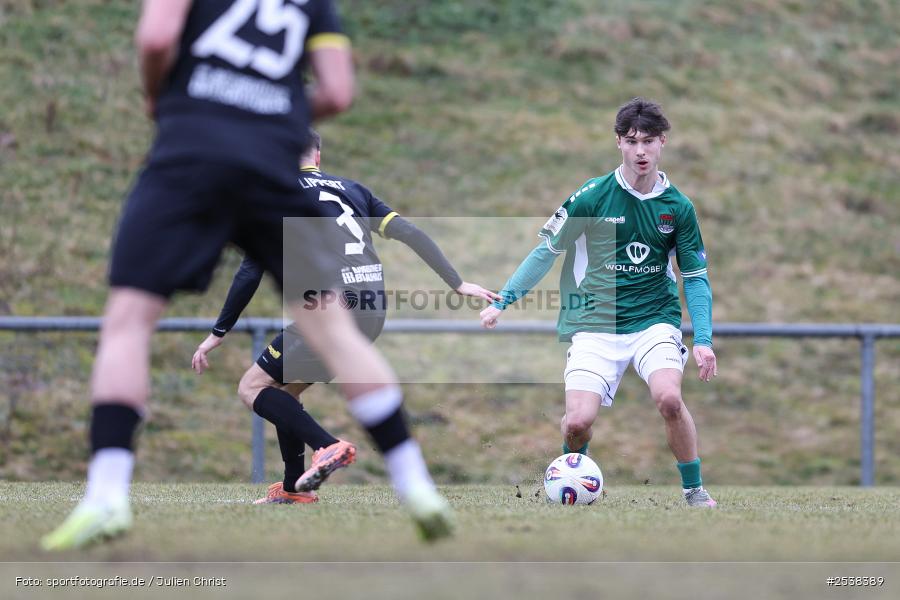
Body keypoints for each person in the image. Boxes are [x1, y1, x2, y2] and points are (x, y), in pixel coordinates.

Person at [43, 0, 452, 550]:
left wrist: (162, 99)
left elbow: (156, 40)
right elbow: (337, 92)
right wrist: (272, 114)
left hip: (190, 154)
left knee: (129, 322)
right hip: (268, 168)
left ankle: (105, 495)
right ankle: (416, 485)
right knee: (330, 330)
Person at [191, 131, 499, 505]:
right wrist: (457, 283)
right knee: (286, 394)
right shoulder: (352, 190)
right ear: (317, 156)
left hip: (330, 310)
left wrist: (219, 331)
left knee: (252, 388)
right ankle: (293, 489)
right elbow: (410, 232)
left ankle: (328, 445)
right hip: (372, 310)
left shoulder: (279, 195)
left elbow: (250, 270)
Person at [480, 98, 718, 508]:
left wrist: (704, 339)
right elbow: (546, 251)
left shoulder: (678, 207)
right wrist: (504, 299)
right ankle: (574, 475)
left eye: (648, 141)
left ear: (663, 142)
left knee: (669, 398)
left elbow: (695, 278)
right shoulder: (592, 196)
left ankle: (693, 489)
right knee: (578, 422)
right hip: (595, 321)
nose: (640, 151)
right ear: (618, 143)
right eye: (631, 141)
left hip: (653, 321)